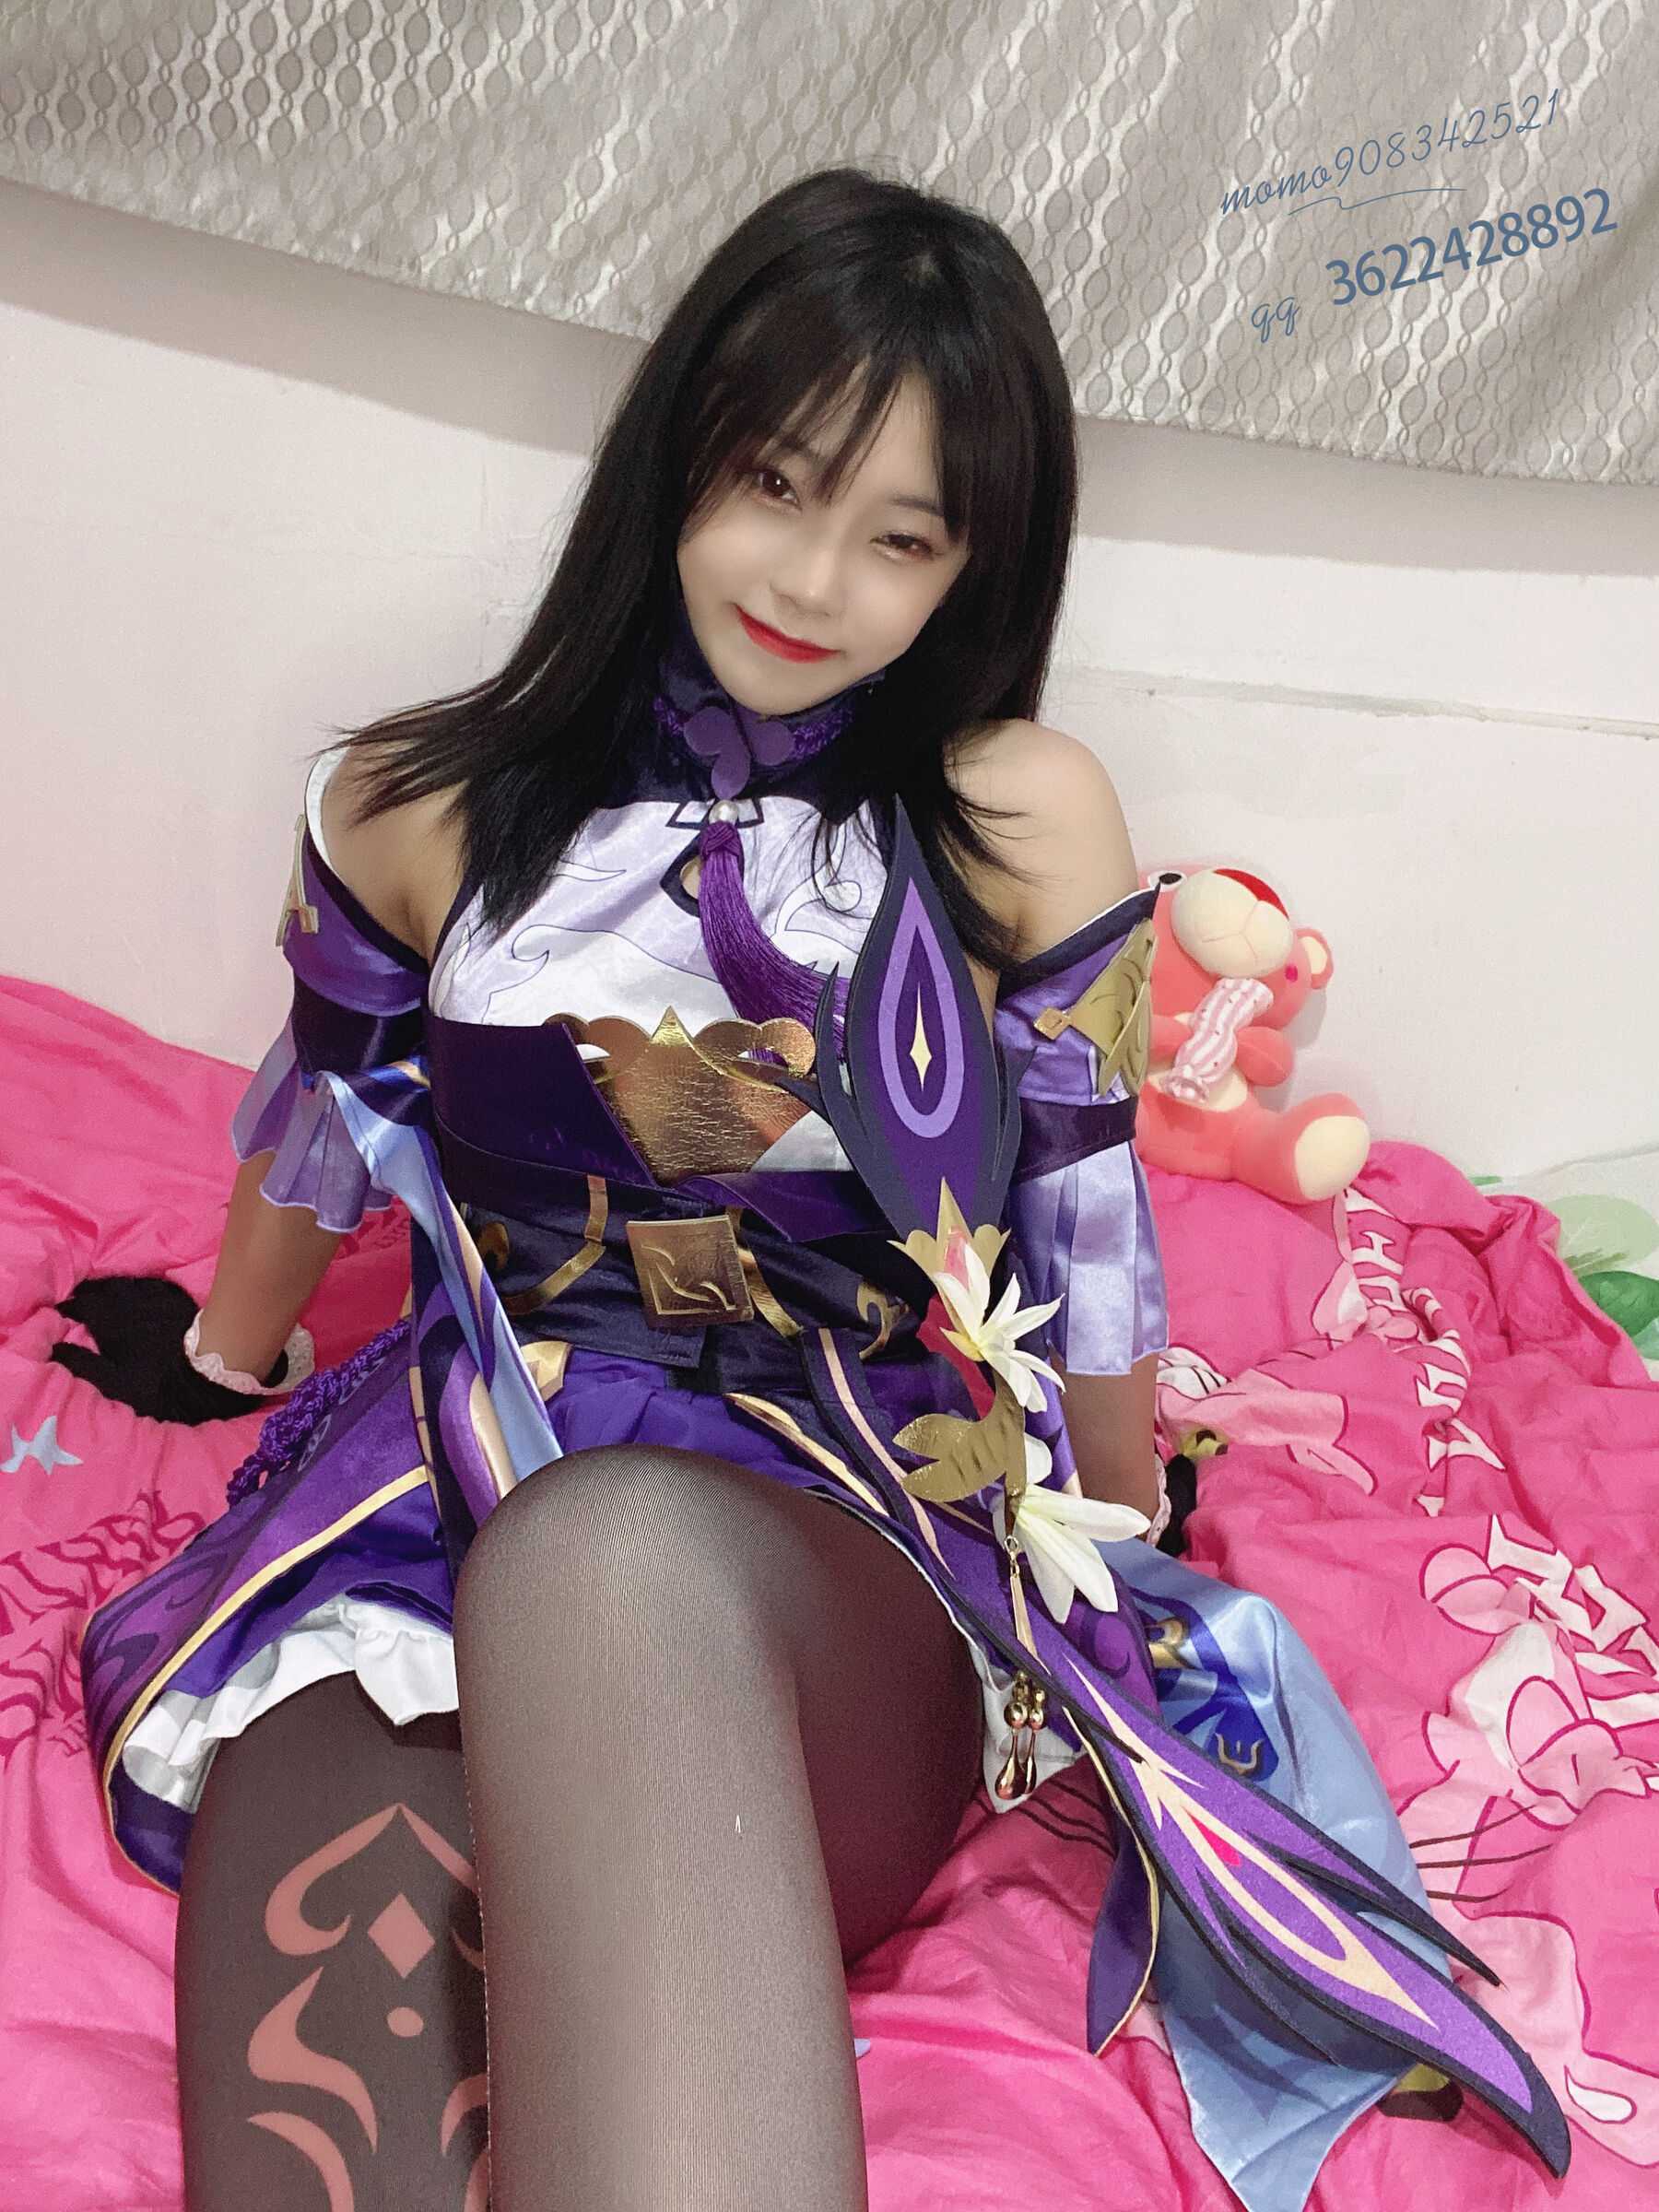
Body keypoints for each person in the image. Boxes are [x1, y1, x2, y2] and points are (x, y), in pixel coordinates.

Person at [68, 167, 1568, 2212]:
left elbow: (1085, 1218)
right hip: (433, 1510)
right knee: (335, 1994)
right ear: (678, 457)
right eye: (776, 485)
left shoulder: (1016, 817)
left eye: (903, 537)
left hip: (839, 1524)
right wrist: (228, 1354)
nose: (817, 579)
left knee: (606, 1559)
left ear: (974, 565)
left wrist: (1117, 1515)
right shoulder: (413, 800)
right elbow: (328, 1124)